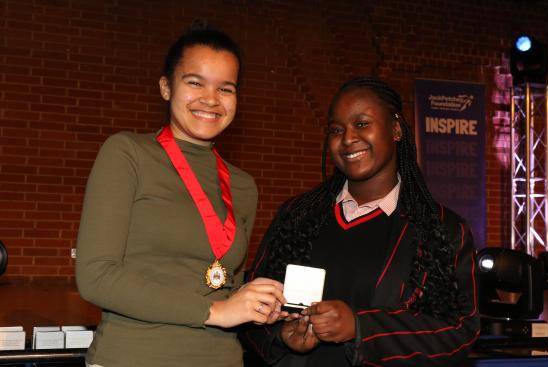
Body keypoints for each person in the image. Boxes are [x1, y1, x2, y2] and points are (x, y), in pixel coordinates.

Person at [76, 24, 286, 367]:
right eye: (195, 82)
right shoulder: (128, 154)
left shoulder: (243, 185)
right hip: (134, 357)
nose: (210, 99)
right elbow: (96, 276)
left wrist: (257, 303)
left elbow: (220, 284)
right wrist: (216, 311)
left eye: (226, 88)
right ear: (165, 87)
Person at [240, 77, 480, 366]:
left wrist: (360, 328)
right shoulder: (297, 216)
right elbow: (248, 308)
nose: (348, 138)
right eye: (336, 129)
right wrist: (280, 336)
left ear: (395, 129)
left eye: (362, 124)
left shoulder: (441, 229)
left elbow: (459, 332)